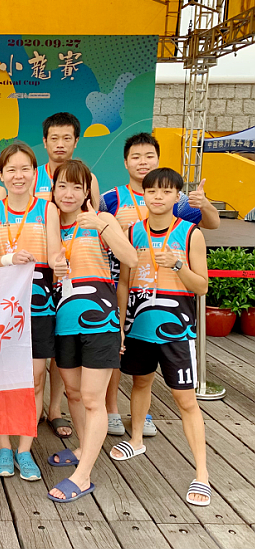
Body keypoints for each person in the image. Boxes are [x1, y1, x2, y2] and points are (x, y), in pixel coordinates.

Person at [100, 133, 220, 437]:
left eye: (149, 156)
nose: (142, 162)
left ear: (157, 158)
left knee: (147, 366)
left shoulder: (176, 198)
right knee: (118, 353)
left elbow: (212, 223)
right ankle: (112, 409)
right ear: (125, 162)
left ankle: (142, 414)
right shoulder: (111, 198)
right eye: (136, 157)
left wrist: (205, 204)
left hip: (166, 288)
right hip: (121, 282)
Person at [111, 168, 210, 506]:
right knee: (140, 383)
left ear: (177, 196)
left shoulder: (190, 234)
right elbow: (124, 282)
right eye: (152, 191)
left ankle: (202, 474)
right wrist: (120, 324)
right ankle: (136, 439)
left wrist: (178, 265)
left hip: (176, 330)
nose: (157, 197)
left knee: (186, 400)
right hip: (139, 326)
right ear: (144, 194)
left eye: (166, 192)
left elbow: (202, 287)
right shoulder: (132, 231)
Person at [46, 160, 137, 503]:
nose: (69, 193)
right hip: (63, 322)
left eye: (76, 187)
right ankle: (84, 449)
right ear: (53, 190)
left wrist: (103, 226)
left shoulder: (101, 219)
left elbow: (131, 258)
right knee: (72, 393)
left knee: (92, 398)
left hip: (100, 320)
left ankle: (83, 476)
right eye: (62, 186)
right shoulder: (50, 223)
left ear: (87, 191)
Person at [0, 142, 63, 481]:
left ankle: (25, 448)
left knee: (35, 377)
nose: (18, 175)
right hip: (4, 306)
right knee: (2, 378)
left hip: (40, 304)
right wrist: (7, 259)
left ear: (35, 173)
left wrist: (61, 261)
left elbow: (55, 254)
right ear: (1, 175)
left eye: (25, 169)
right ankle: (3, 446)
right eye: (11, 169)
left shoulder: (48, 209)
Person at [34, 113, 101, 438]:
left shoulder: (88, 177)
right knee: (40, 347)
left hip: (74, 274)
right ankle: (32, 406)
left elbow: (94, 222)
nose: (60, 144)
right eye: (54, 138)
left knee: (63, 346)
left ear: (76, 141)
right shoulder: (32, 175)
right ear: (44, 141)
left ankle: (55, 409)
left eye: (67, 138)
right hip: (40, 270)